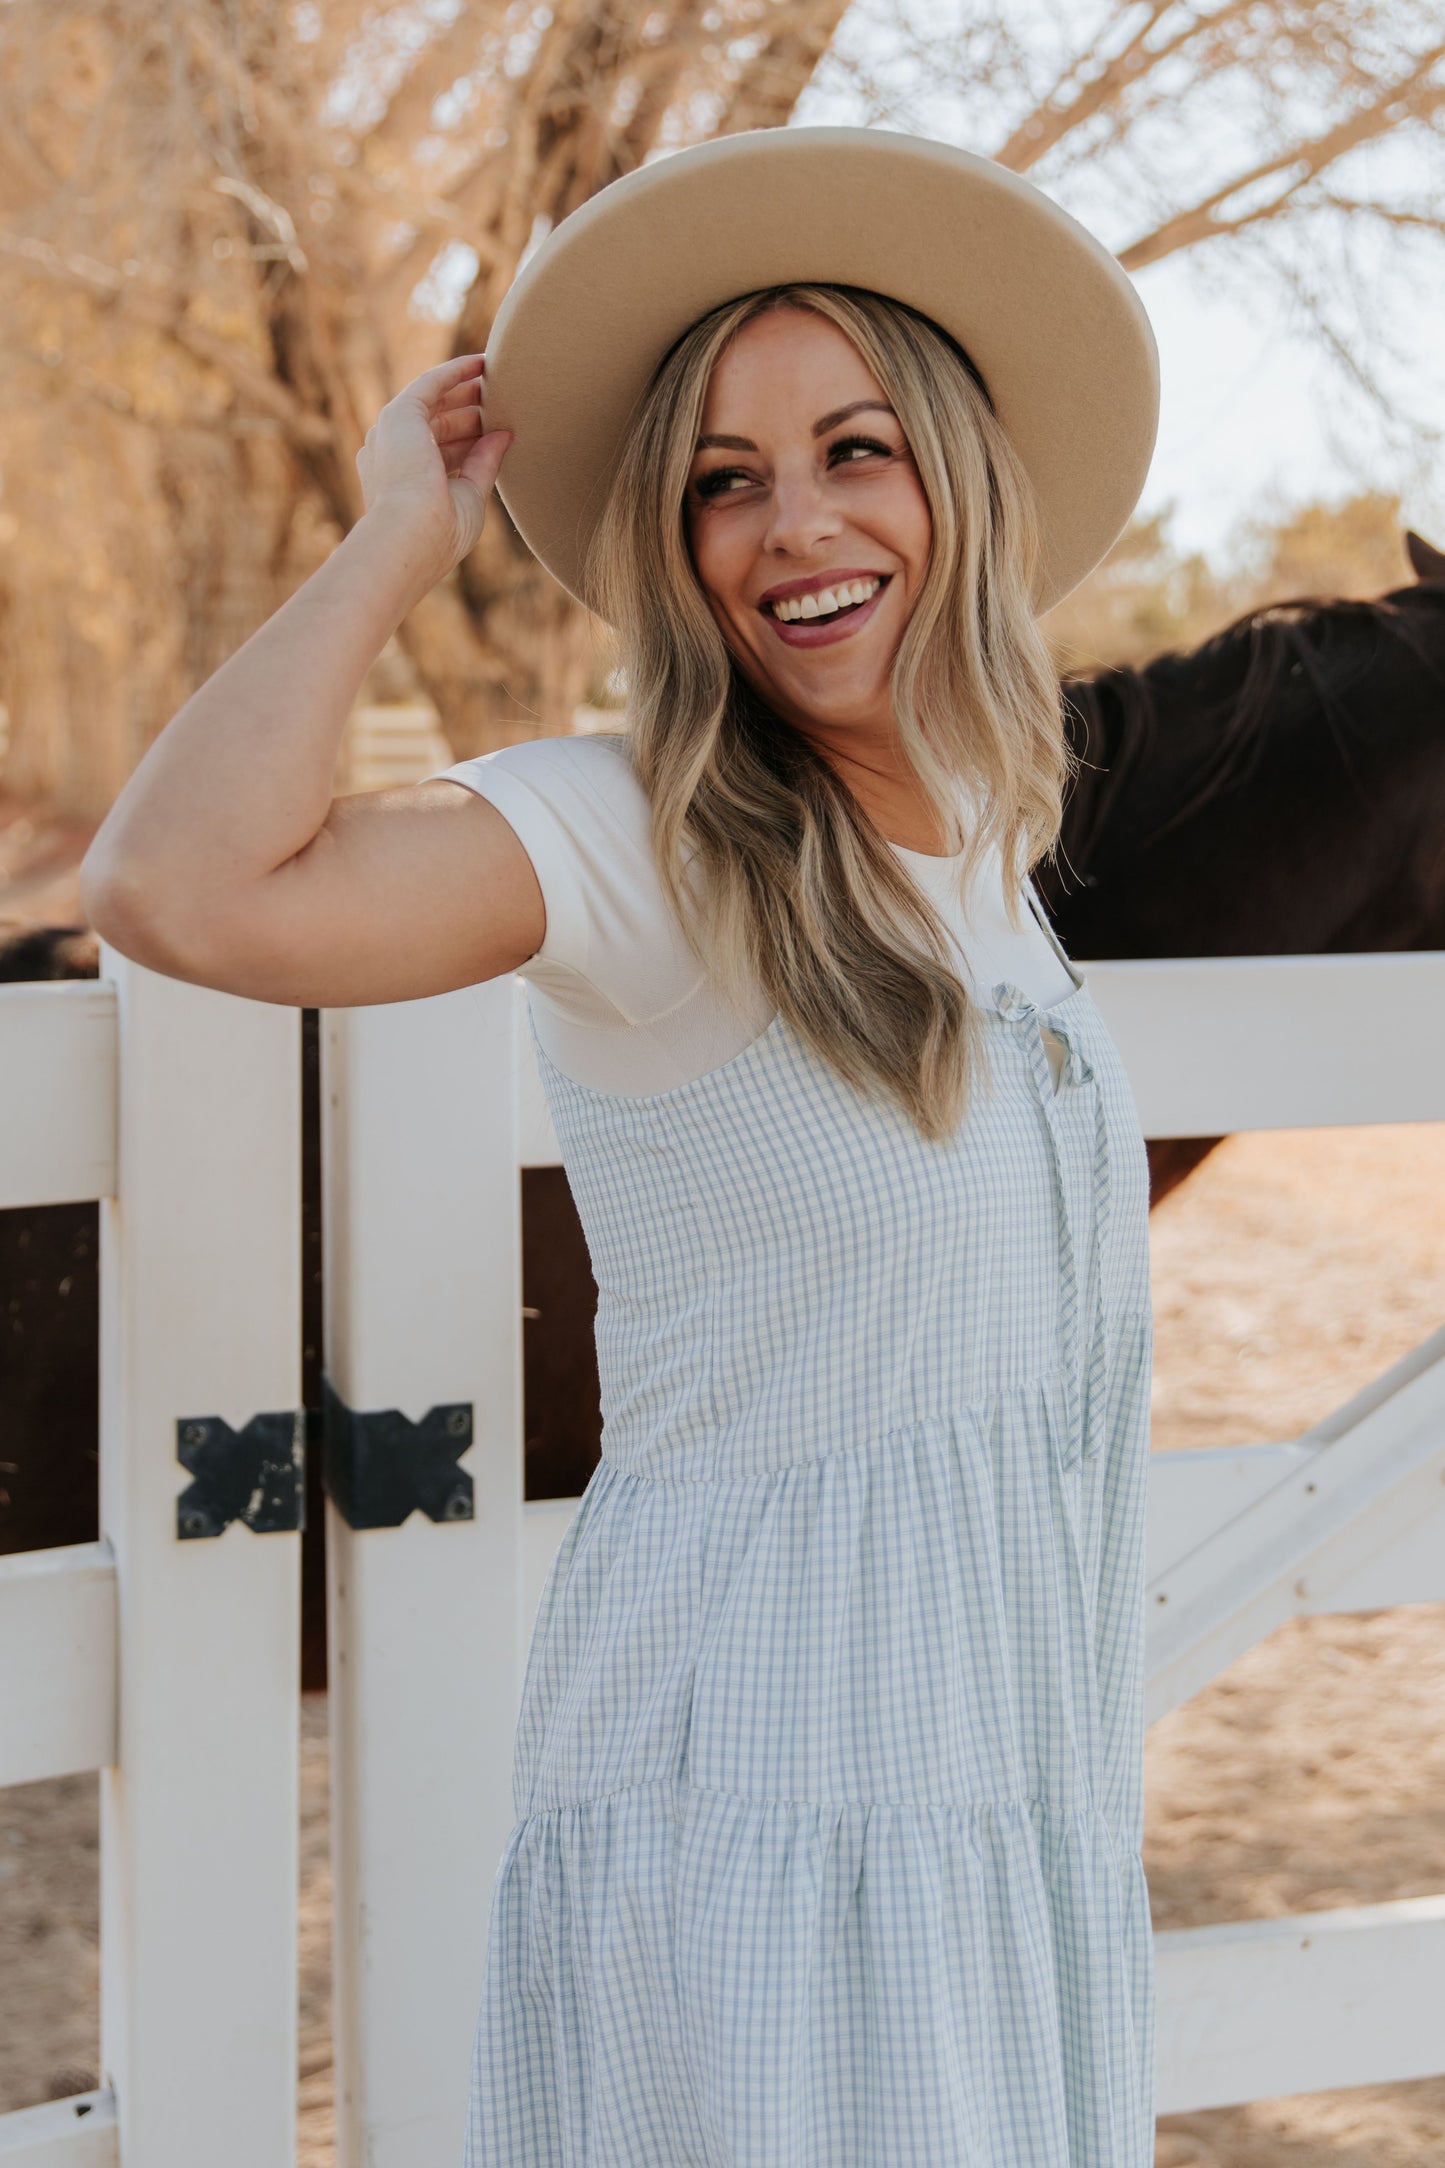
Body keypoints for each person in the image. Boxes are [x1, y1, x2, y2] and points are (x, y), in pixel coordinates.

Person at [82, 127, 1161, 2168]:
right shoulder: (641, 837)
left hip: (989, 1809)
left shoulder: (991, 880)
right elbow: (176, 886)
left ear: (962, 474)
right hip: (759, 1833)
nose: (792, 526)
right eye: (723, 481)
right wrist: (401, 539)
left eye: (858, 450)